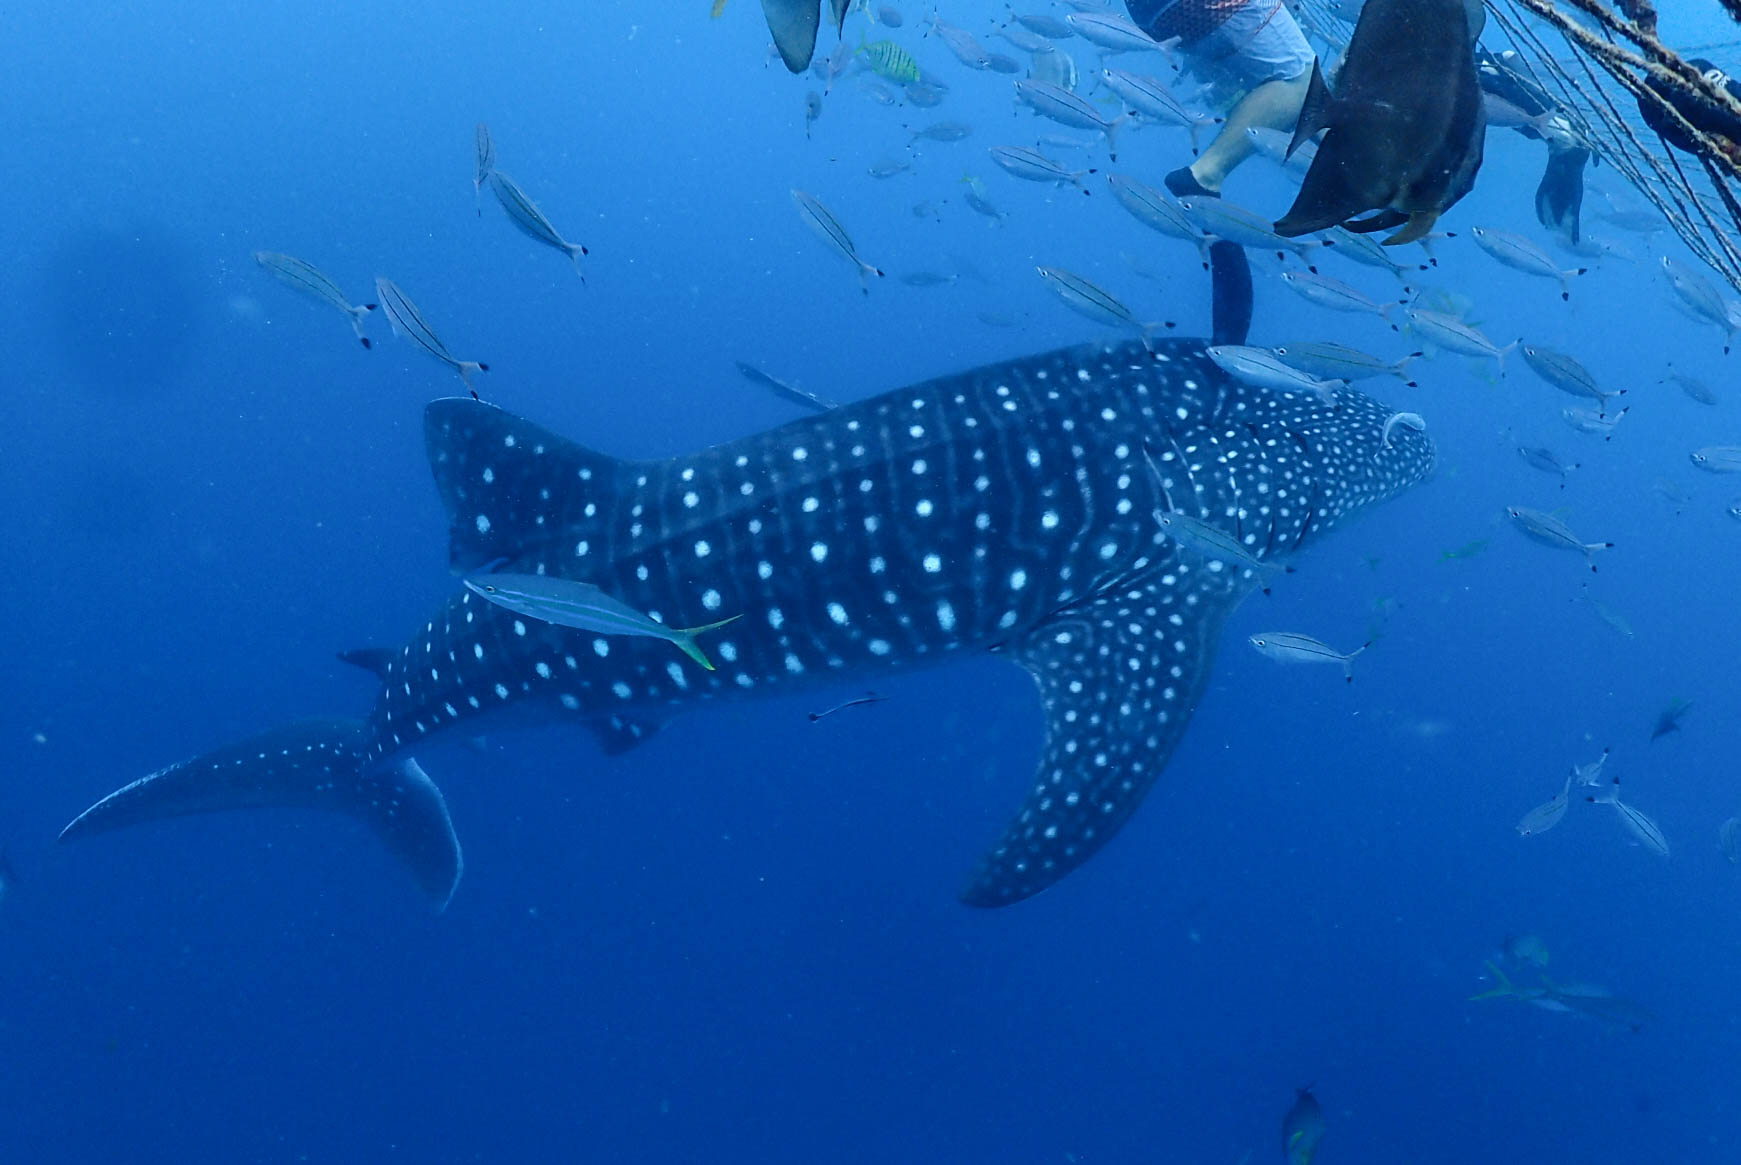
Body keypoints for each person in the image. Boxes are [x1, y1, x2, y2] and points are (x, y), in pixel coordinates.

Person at [1122, 0, 1316, 199]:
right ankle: (1206, 174)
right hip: (1210, 5)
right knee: (1302, 80)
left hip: (1151, 18)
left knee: (1257, 88)